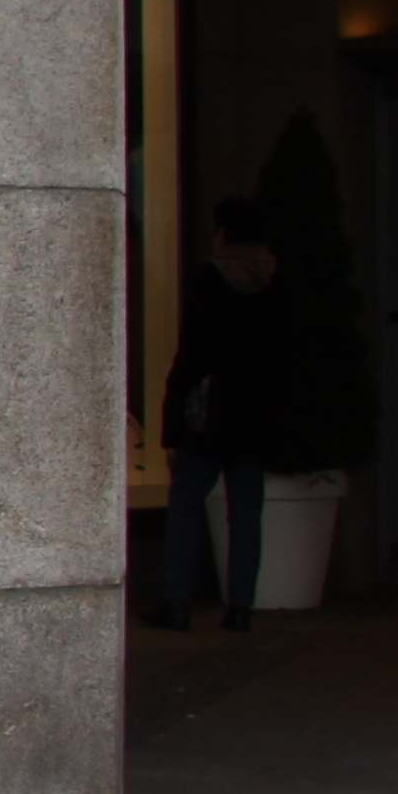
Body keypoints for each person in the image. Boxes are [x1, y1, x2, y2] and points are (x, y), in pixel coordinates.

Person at [152, 197, 288, 633]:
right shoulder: (276, 279)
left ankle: (178, 602)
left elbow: (194, 353)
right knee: (245, 512)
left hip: (209, 412)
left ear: (223, 232)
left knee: (186, 504)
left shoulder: (209, 278)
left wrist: (173, 415)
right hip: (255, 412)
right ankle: (241, 607)